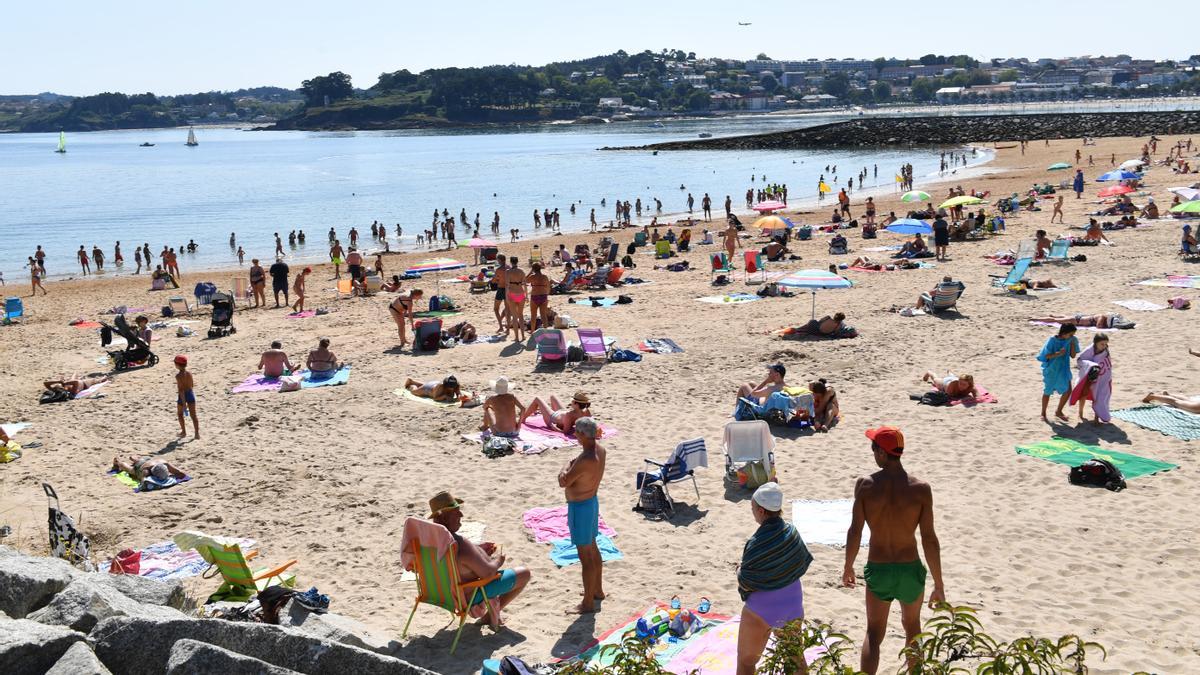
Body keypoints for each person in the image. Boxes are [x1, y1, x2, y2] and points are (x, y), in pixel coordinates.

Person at [844, 427, 945, 674]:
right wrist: (938, 583)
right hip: (910, 569)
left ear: (881, 453)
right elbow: (929, 539)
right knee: (912, 628)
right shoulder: (921, 488)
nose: (872, 454)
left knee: (874, 633)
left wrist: (848, 566)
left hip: (879, 568)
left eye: (873, 449)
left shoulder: (865, 485)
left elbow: (855, 531)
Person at [736, 482, 813, 675]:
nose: (752, 511)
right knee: (795, 661)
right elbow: (801, 562)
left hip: (761, 609)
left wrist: (739, 571)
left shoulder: (755, 543)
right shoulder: (791, 531)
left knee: (746, 662)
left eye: (752, 508)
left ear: (761, 511)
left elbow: (746, 581)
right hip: (793, 604)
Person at [427, 491, 531, 628]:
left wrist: (478, 550)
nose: (461, 515)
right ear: (445, 518)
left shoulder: (430, 542)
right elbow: (488, 574)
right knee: (524, 573)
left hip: (444, 595)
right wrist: (499, 560)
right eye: (456, 512)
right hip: (467, 597)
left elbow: (460, 561)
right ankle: (489, 616)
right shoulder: (459, 544)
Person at [558, 416, 607, 614]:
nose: (575, 435)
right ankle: (597, 591)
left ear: (583, 435)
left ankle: (587, 603)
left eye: (577, 432)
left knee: (585, 556)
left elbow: (564, 481)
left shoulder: (586, 458)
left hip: (581, 508)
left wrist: (563, 467)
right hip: (591, 503)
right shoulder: (599, 451)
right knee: (593, 548)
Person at [1037, 324, 1079, 422]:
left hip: (1064, 369)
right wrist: (1058, 354)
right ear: (1063, 333)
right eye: (1070, 334)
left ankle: (1059, 411)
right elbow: (1045, 355)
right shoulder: (1052, 340)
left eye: (1073, 334)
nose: (1072, 336)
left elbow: (1073, 356)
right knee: (1047, 391)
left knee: (1068, 391)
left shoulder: (1072, 340)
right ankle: (1043, 413)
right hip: (1051, 369)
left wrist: (1072, 344)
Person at [1072, 335, 1112, 425]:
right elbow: (1080, 360)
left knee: (1099, 397)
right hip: (1089, 377)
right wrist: (1090, 365)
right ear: (1095, 343)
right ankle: (1080, 413)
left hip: (1102, 378)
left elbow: (1107, 364)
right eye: (1102, 344)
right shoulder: (1089, 351)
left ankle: (1096, 419)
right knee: (1084, 394)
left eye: (1106, 344)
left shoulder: (1105, 351)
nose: (1104, 346)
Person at [520, 391, 592, 433]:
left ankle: (523, 419)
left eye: (572, 402)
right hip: (562, 412)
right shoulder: (586, 411)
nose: (571, 403)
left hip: (552, 418)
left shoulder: (570, 415)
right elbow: (590, 425)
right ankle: (544, 411)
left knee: (537, 399)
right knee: (552, 396)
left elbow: (565, 431)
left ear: (576, 404)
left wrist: (554, 428)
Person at [110, 455, 186, 482]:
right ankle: (118, 462)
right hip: (140, 467)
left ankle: (133, 458)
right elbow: (143, 483)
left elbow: (181, 473)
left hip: (148, 460)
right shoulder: (164, 463)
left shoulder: (164, 463)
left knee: (139, 461)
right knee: (129, 469)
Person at [174, 355, 199, 439]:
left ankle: (184, 432)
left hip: (183, 396)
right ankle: (197, 434)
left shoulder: (178, 376)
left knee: (180, 414)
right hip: (190, 394)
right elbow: (192, 385)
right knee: (194, 416)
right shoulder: (189, 374)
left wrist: (184, 404)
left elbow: (181, 390)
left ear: (177, 365)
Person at [504, 256, 527, 342]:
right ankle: (523, 336)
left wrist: (506, 296)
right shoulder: (521, 271)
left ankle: (517, 337)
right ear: (517, 262)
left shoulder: (508, 272)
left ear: (511, 262)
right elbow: (524, 284)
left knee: (514, 316)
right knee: (521, 315)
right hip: (520, 293)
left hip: (512, 294)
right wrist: (526, 295)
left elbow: (507, 285)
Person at [527, 263, 552, 331]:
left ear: (533, 269)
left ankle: (532, 331)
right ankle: (546, 331)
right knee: (543, 315)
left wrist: (530, 272)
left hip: (534, 295)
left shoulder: (532, 276)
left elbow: (525, 280)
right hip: (543, 296)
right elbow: (548, 287)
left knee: (533, 316)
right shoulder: (545, 277)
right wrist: (546, 294)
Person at [42, 374, 109, 398]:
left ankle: (79, 376)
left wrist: (58, 381)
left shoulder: (57, 389)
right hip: (84, 384)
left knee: (75, 375)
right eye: (59, 385)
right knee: (96, 381)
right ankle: (103, 378)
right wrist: (65, 382)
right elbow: (76, 382)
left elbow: (45, 383)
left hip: (75, 381)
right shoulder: (71, 391)